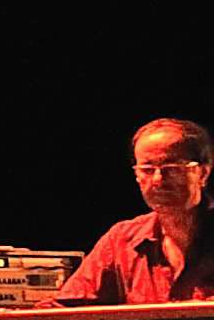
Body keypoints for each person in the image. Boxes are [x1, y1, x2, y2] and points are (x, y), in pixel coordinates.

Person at [58, 118, 209, 306]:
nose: (157, 180)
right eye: (147, 169)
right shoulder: (121, 239)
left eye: (171, 169)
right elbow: (66, 308)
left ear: (203, 173)